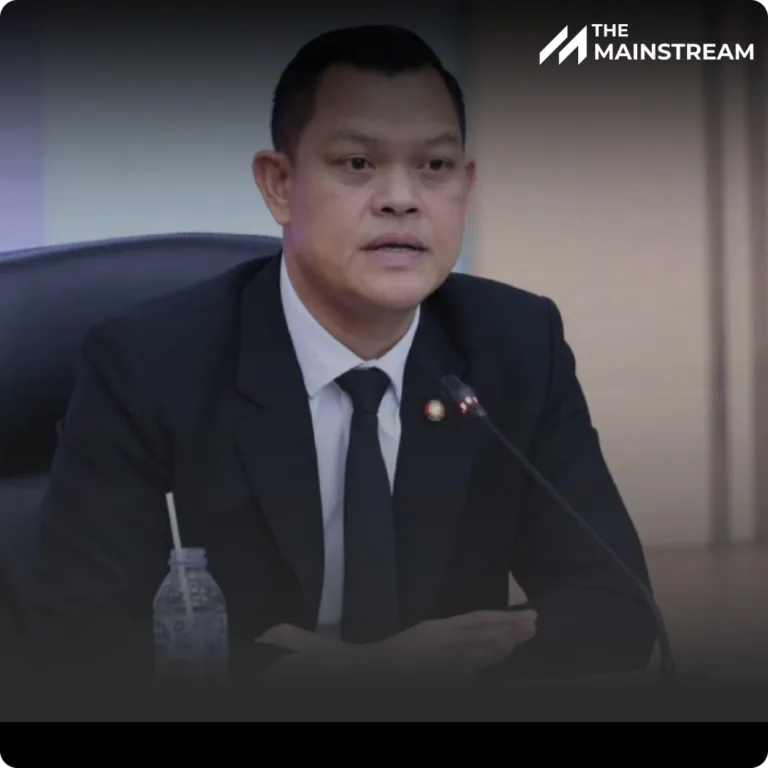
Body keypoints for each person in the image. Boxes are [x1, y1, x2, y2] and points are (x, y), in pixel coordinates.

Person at [29, 24, 657, 683]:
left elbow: (612, 604)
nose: (402, 199)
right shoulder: (148, 365)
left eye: (435, 167)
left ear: (466, 186)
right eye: (358, 163)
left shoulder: (517, 344)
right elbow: (78, 636)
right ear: (279, 184)